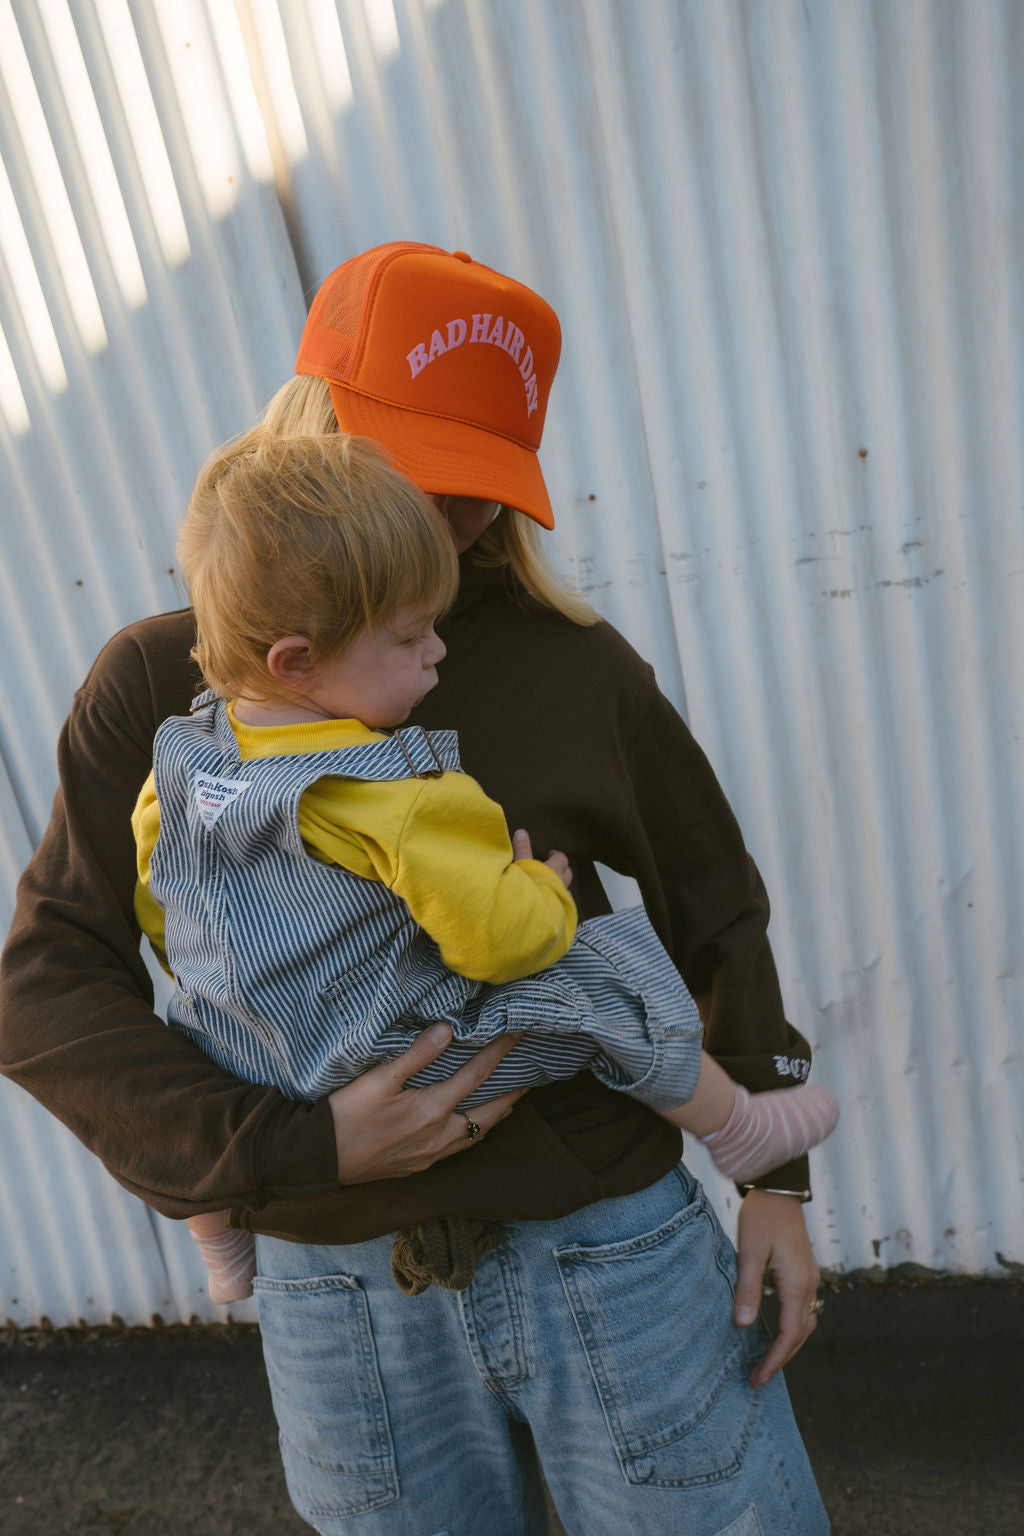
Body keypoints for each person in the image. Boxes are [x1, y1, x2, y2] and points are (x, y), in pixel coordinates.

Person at [0, 241, 832, 1533]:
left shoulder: (575, 665)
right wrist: (288, 1149)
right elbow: (48, 991)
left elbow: (714, 902)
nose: (453, 518)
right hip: (335, 1297)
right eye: (419, 468)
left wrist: (775, 1183)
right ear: (314, 420)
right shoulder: (161, 689)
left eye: (484, 487)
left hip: (611, 1254)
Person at [133, 428, 838, 1305]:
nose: (438, 651)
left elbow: (162, 902)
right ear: (298, 661)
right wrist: (539, 887)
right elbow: (500, 944)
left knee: (180, 1033)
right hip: (395, 1065)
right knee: (595, 977)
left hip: (255, 1064)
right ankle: (736, 1124)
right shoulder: (402, 792)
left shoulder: (183, 759)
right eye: (411, 637)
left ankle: (220, 1237)